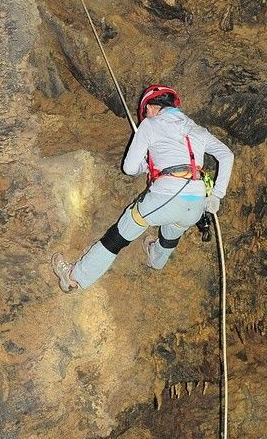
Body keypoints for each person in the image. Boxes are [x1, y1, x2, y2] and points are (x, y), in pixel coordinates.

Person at [52, 84, 234, 292]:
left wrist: (146, 165)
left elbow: (129, 168)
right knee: (175, 225)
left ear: (152, 107)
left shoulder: (150, 125)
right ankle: (156, 259)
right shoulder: (197, 129)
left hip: (168, 196)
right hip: (197, 203)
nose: (145, 115)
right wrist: (217, 195)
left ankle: (75, 277)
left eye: (145, 111)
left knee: (119, 235)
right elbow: (226, 155)